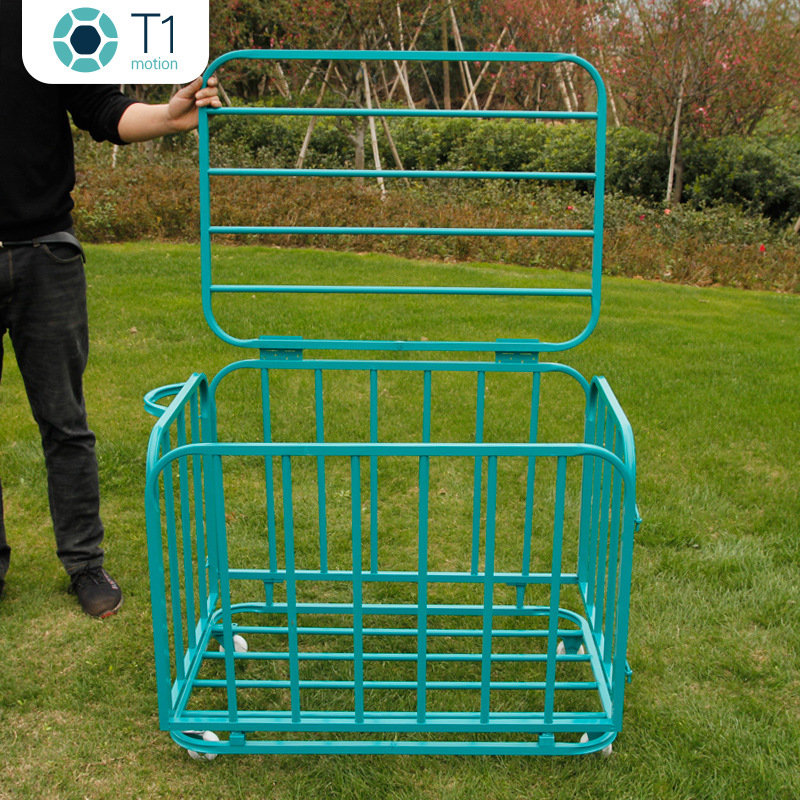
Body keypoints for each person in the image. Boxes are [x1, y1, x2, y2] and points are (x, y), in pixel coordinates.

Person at [0, 0, 221, 616]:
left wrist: (169, 115)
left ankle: (85, 564)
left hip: (45, 251)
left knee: (64, 422)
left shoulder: (46, 16)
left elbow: (102, 109)